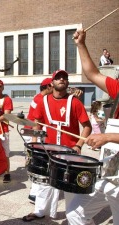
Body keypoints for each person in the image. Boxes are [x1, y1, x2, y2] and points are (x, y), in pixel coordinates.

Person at [62, 28, 119, 225]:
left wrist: (107, 137)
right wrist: (81, 44)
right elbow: (92, 73)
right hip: (110, 174)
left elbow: (109, 137)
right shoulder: (118, 89)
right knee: (75, 213)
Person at [22, 69, 92, 222]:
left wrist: (79, 145)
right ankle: (40, 211)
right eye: (58, 78)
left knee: (70, 187)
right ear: (52, 82)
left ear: (67, 82)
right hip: (50, 150)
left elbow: (87, 126)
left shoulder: (74, 102)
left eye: (64, 78)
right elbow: (37, 125)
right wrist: (35, 145)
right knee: (44, 183)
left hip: (71, 152)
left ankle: (74, 217)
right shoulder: (43, 101)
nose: (62, 80)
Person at [23, 77, 53, 202]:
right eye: (52, 86)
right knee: (40, 163)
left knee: (37, 162)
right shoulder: (42, 100)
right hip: (34, 133)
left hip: (31, 132)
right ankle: (35, 193)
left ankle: (35, 192)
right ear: (48, 87)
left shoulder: (38, 97)